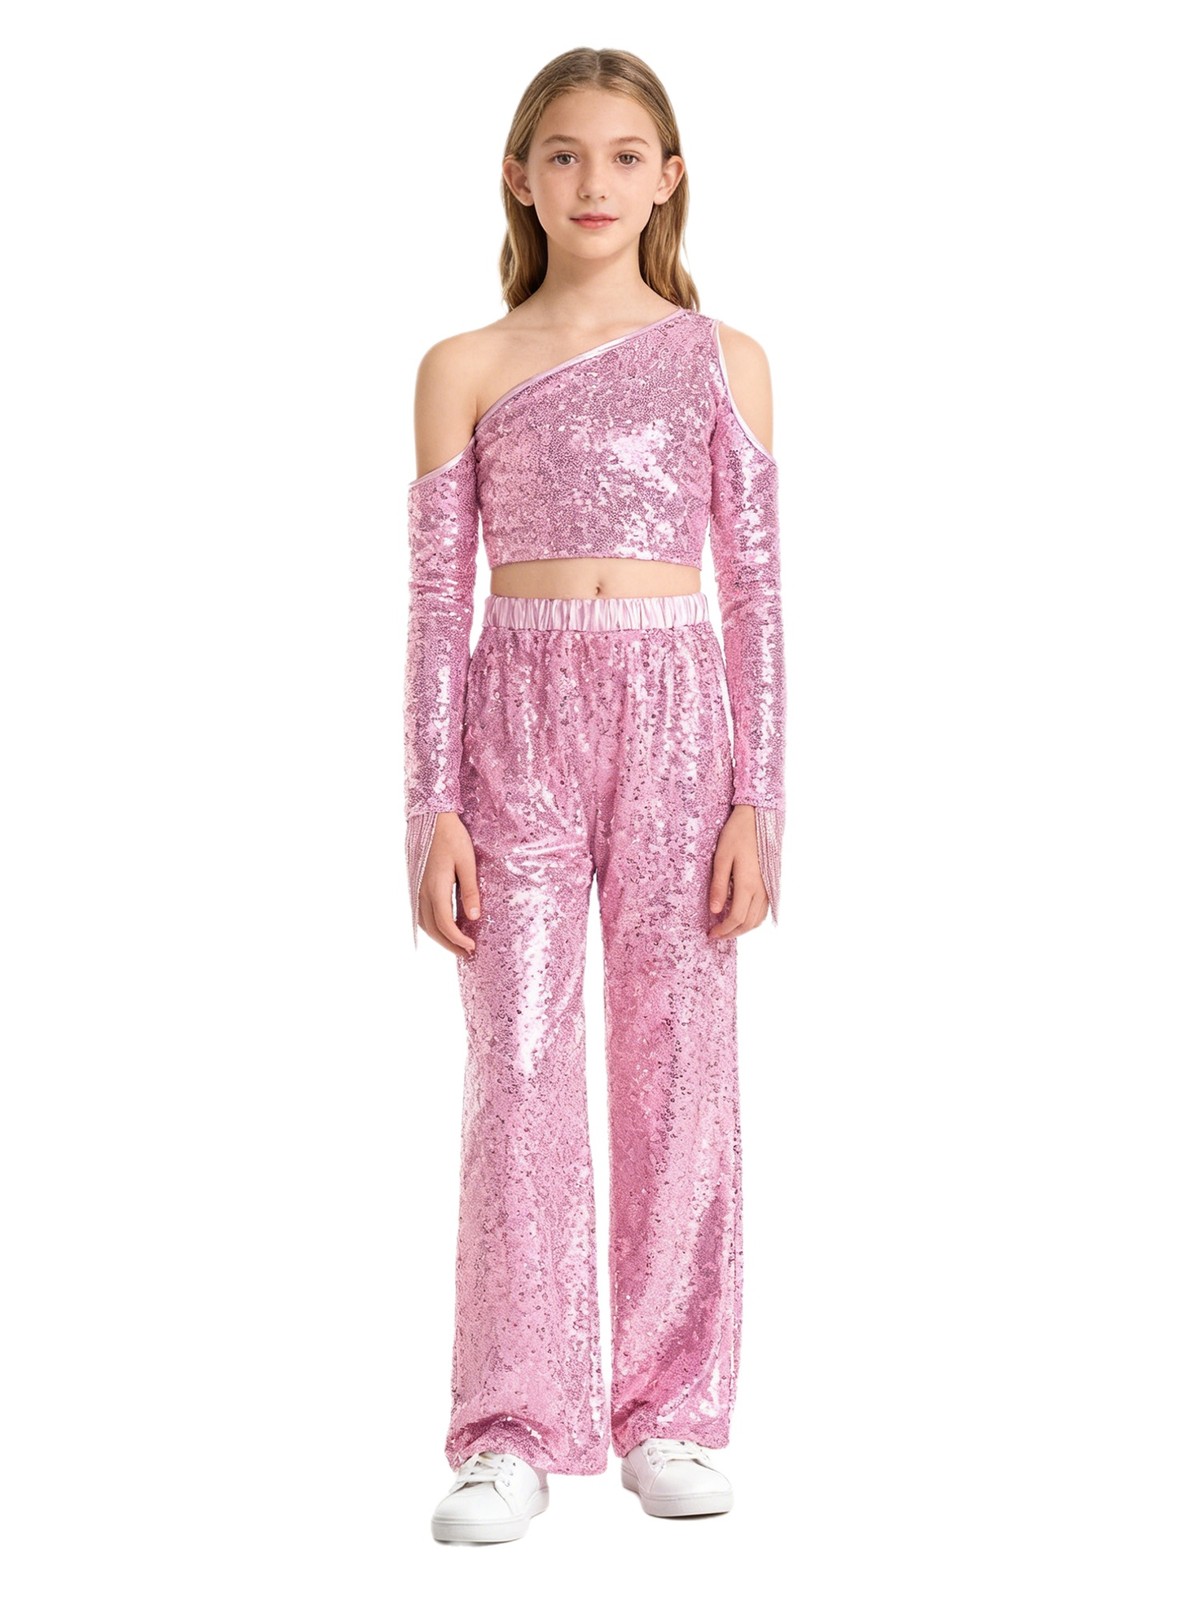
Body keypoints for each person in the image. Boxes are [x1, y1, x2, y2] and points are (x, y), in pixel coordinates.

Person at [405, 46, 786, 1543]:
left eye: (626, 156)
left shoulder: (720, 359)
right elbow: (436, 604)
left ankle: (673, 1409)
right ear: (519, 176)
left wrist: (762, 797)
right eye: (563, 154)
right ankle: (509, 1428)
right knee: (517, 1062)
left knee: (680, 1062)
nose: (594, 182)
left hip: (679, 711)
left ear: (669, 177)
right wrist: (428, 802)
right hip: (517, 715)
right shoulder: (464, 367)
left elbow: (756, 592)